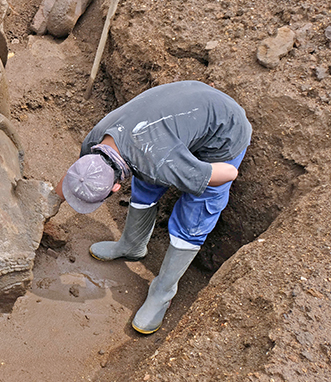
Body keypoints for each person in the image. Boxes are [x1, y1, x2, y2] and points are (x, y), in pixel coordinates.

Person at [56, 80, 251, 334]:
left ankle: (163, 292)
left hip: (224, 133)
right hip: (183, 112)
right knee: (146, 182)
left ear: (115, 189)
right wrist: (49, 206)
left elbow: (223, 174)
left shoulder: (158, 163)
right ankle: (132, 246)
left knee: (195, 211)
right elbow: (77, 177)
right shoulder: (96, 140)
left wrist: (211, 173)